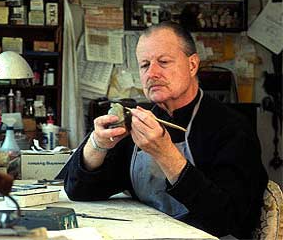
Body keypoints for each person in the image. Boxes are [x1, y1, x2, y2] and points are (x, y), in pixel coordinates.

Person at [60, 21, 268, 239]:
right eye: (144, 65)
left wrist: (165, 154)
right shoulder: (139, 122)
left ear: (192, 65)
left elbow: (228, 219)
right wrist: (97, 145)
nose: (152, 73)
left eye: (164, 62)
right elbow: (79, 191)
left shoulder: (232, 129)